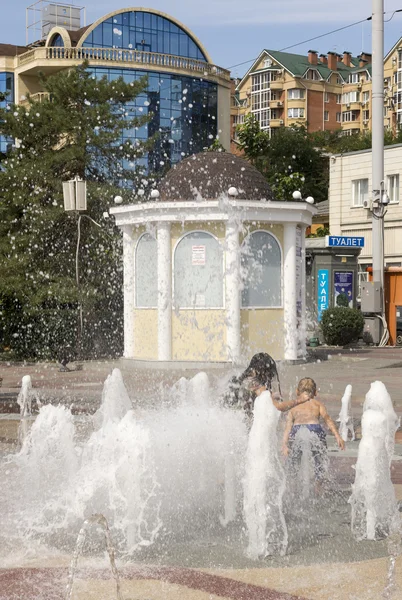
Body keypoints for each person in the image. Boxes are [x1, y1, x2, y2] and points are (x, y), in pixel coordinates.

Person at [281, 377, 345, 484]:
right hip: (314, 428)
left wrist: (284, 445)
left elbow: (288, 427)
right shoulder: (318, 404)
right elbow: (328, 420)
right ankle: (318, 484)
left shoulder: (293, 407)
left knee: (293, 463)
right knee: (319, 460)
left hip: (298, 429)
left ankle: (292, 487)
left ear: (297, 391)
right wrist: (338, 436)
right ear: (315, 393)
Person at [225, 352, 311, 419]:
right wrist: (299, 400)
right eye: (269, 373)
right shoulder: (254, 384)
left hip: (231, 417)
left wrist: (271, 396)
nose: (271, 376)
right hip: (242, 425)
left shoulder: (244, 378)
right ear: (263, 371)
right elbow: (277, 407)